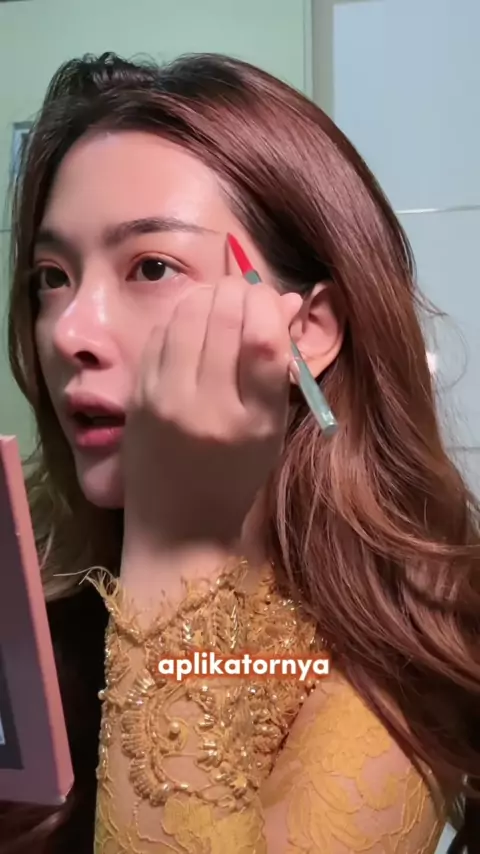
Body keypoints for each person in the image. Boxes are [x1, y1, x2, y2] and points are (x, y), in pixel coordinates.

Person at [1, 50, 479, 854]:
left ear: (307, 331)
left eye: (152, 266)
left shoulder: (397, 648)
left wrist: (179, 542)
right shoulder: (39, 565)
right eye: (51, 277)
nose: (70, 331)